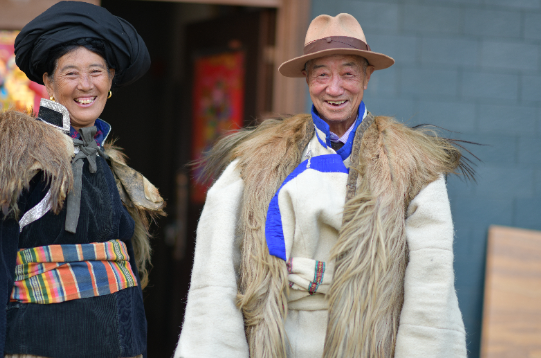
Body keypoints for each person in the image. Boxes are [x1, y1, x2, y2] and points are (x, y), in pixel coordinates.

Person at [175, 13, 470, 358]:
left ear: (367, 76)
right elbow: (219, 266)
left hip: (369, 343)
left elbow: (430, 283)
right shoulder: (257, 160)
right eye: (321, 75)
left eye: (348, 73)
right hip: (276, 341)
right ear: (306, 79)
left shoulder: (410, 165)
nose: (334, 88)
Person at [0, 2, 164, 357]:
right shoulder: (23, 157)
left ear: (111, 79)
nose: (85, 85)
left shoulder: (107, 162)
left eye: (96, 71)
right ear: (48, 81)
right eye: (70, 73)